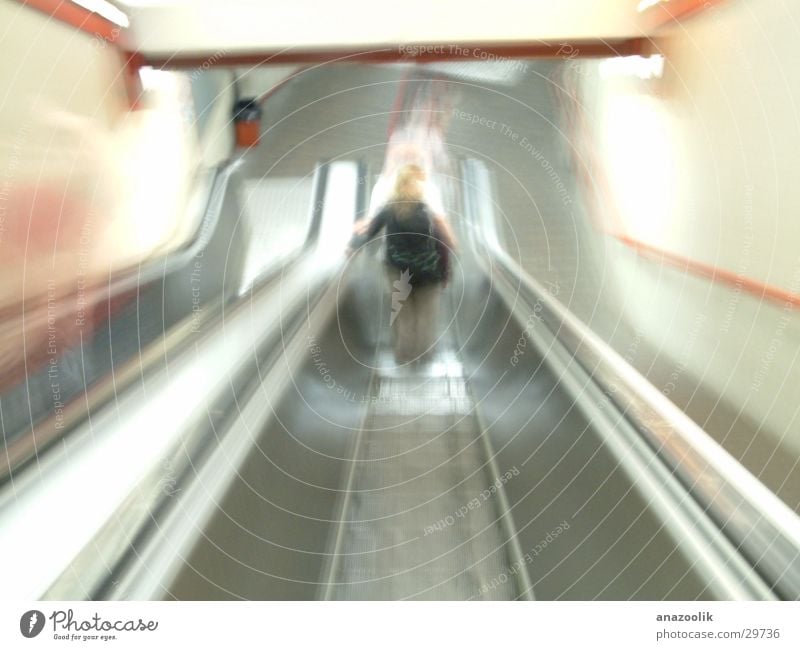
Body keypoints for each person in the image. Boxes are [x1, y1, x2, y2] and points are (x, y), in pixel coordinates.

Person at [349, 164, 456, 363]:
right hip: (427, 272)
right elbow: (442, 245)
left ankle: (404, 355)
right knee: (426, 316)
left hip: (397, 270)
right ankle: (424, 357)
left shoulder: (388, 210)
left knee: (403, 314)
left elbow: (369, 232)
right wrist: (446, 271)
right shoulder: (427, 211)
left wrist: (352, 248)